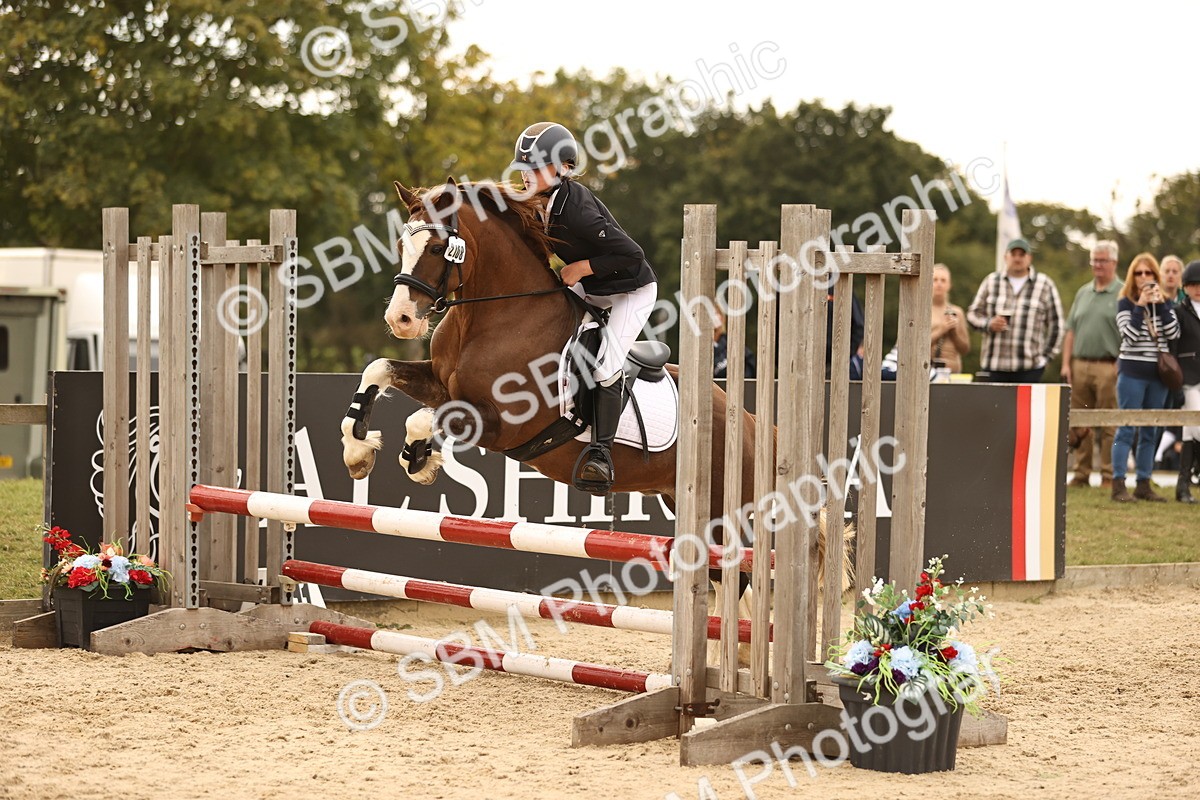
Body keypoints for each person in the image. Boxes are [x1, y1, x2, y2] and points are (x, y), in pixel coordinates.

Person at [509, 121, 657, 494]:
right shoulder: (538, 204)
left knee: (607, 365)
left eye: (536, 167)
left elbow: (631, 254)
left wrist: (582, 268)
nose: (526, 175)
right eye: (524, 167)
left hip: (629, 291)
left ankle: (600, 454)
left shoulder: (576, 209)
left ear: (563, 168)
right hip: (593, 288)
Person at [1111, 253, 1180, 502]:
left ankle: (1144, 482)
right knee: (1126, 428)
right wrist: (1140, 305)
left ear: (1155, 276)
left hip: (1157, 375)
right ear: (1132, 277)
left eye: (1148, 273)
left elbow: (1173, 333)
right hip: (1132, 373)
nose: (1144, 278)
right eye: (1138, 273)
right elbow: (1128, 335)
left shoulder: (1165, 304)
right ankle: (1118, 484)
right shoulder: (1125, 303)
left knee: (1151, 430)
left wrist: (1160, 305)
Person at [1060, 241, 1122, 488]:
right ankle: (1081, 473)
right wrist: (1066, 363)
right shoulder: (1083, 292)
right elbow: (1071, 331)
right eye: (1094, 260)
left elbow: (1130, 333)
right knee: (1079, 421)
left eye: (1102, 260)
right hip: (1080, 365)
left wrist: (1122, 363)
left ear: (1114, 263)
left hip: (1109, 365)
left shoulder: (1123, 292)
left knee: (1108, 422)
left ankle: (1108, 474)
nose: (1097, 265)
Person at [967, 238, 1065, 383]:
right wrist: (988, 324)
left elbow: (1057, 325)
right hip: (993, 366)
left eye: (1022, 254)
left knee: (1024, 407)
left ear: (1029, 258)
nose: (1017, 258)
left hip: (1029, 368)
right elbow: (972, 314)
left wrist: (1046, 357)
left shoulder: (1045, 284)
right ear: (1006, 257)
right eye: (1014, 254)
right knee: (992, 406)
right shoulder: (991, 281)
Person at [1171, 260, 1200, 503]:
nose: (1197, 288)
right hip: (1189, 378)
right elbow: (1173, 347)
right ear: (1186, 287)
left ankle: (1183, 485)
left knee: (1189, 433)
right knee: (1195, 426)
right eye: (1192, 284)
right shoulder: (1179, 311)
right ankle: (1186, 482)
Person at [929, 263, 971, 373]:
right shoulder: (921, 311)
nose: (939, 284)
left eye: (943, 280)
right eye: (935, 280)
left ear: (949, 285)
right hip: (927, 371)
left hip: (952, 372)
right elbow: (916, 346)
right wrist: (941, 330)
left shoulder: (957, 312)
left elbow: (965, 349)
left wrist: (954, 333)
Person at [713, 311, 756, 380]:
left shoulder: (731, 341)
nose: (714, 317)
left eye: (716, 313)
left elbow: (749, 362)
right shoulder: (701, 348)